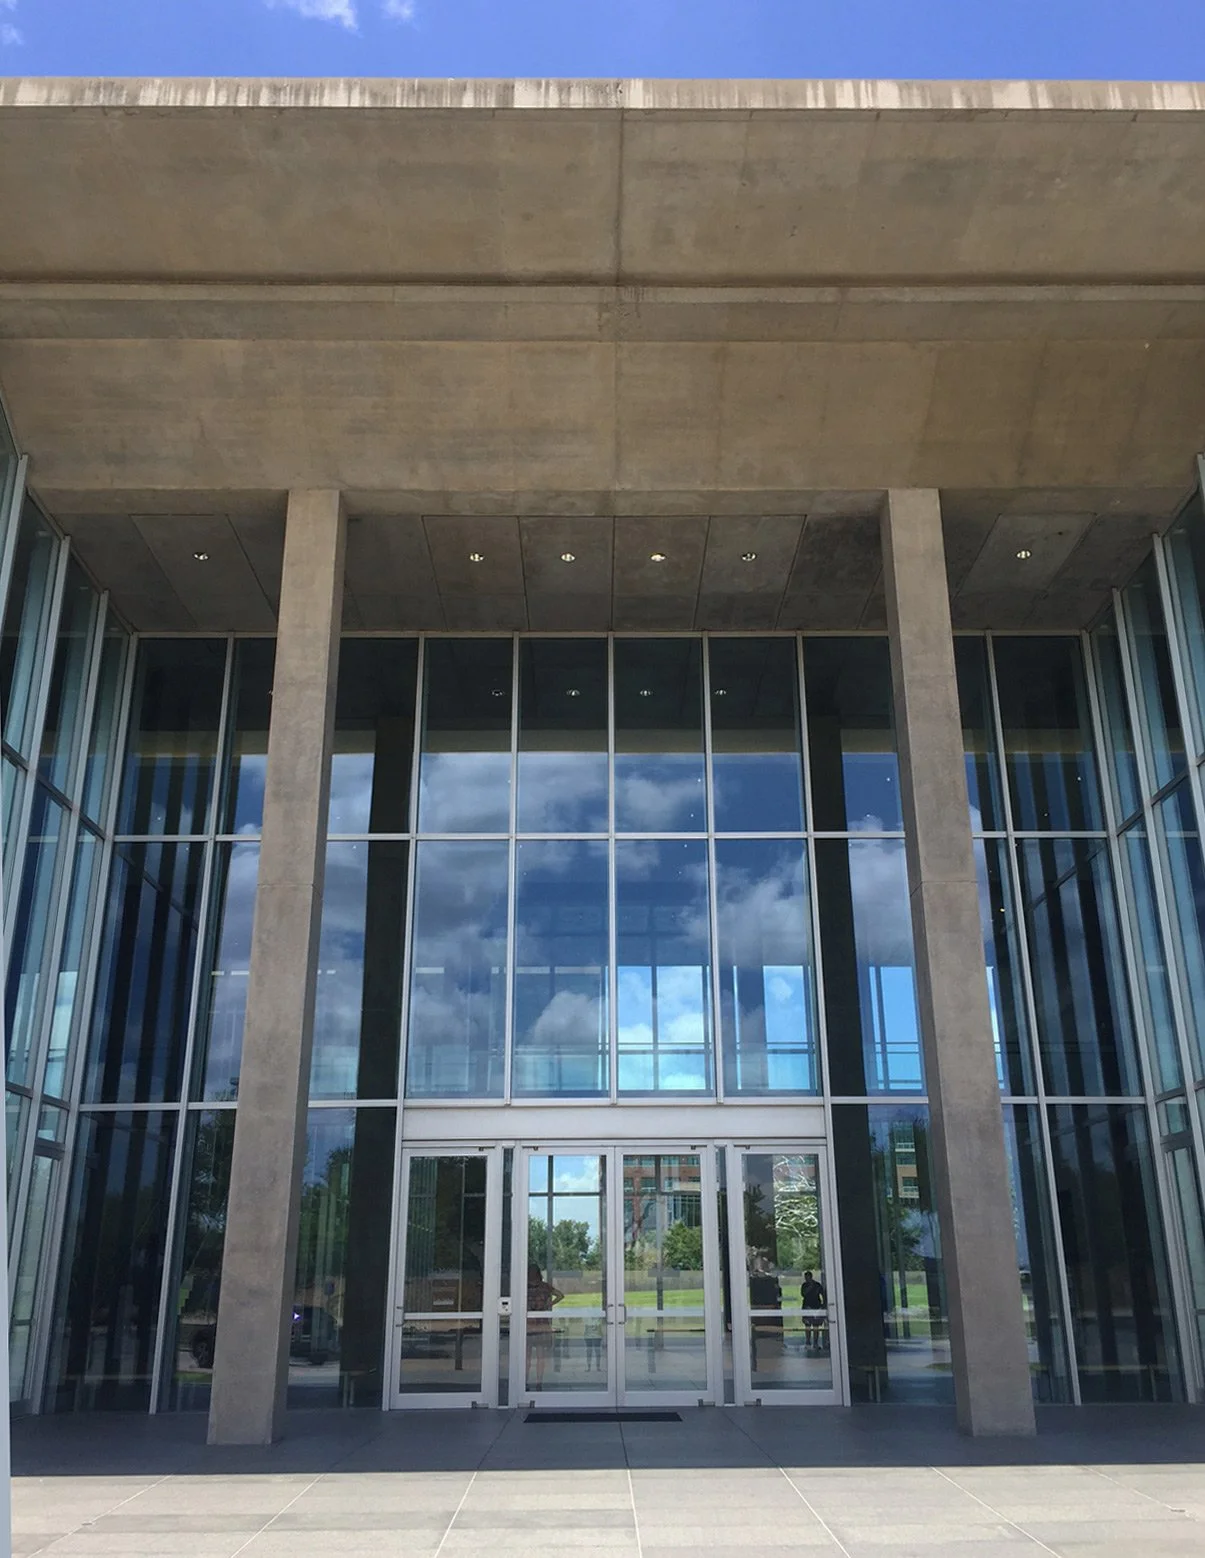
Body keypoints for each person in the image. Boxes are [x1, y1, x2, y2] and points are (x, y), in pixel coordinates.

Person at [526, 1262, 564, 1387]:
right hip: (541, 1323)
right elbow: (560, 1295)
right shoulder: (544, 1287)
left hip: (527, 1324)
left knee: (527, 1357)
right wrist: (548, 1305)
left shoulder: (524, 1287)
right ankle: (539, 1382)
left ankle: (524, 1381)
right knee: (540, 1357)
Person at [800, 1270, 827, 1353]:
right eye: (805, 1278)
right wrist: (810, 1287)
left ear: (811, 1277)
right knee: (807, 1325)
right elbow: (803, 1294)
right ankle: (808, 1342)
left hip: (816, 1307)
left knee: (816, 1326)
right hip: (807, 1306)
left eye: (808, 1277)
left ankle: (815, 1343)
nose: (806, 1279)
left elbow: (823, 1295)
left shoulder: (817, 1285)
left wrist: (823, 1306)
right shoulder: (804, 1285)